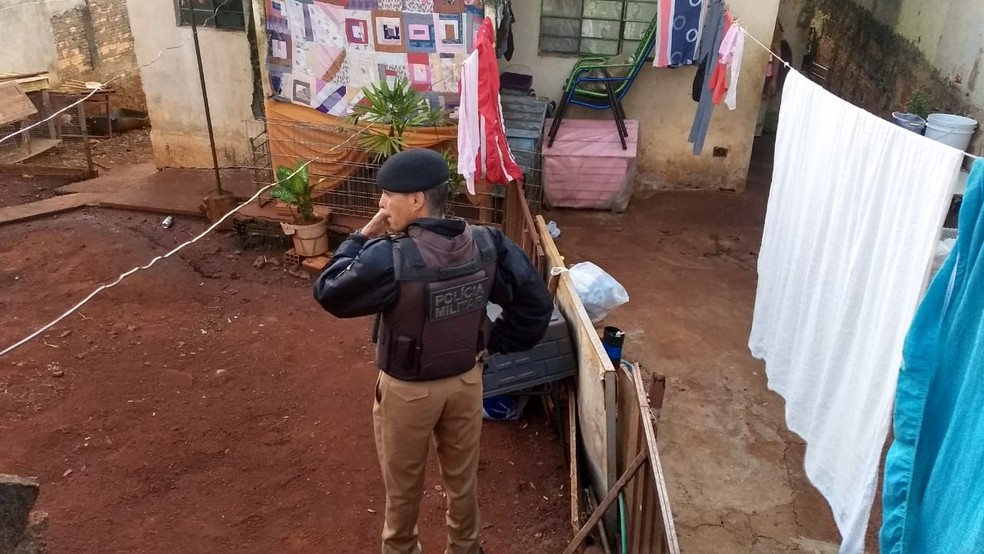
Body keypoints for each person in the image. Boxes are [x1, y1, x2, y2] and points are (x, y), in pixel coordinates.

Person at [312, 148, 553, 554]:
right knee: (462, 481)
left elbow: (330, 291)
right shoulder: (488, 242)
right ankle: (466, 547)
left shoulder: (390, 257)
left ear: (417, 200)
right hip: (466, 383)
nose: (382, 204)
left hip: (408, 393)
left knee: (403, 489)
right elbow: (536, 306)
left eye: (389, 196)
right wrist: (490, 343)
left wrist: (361, 236)